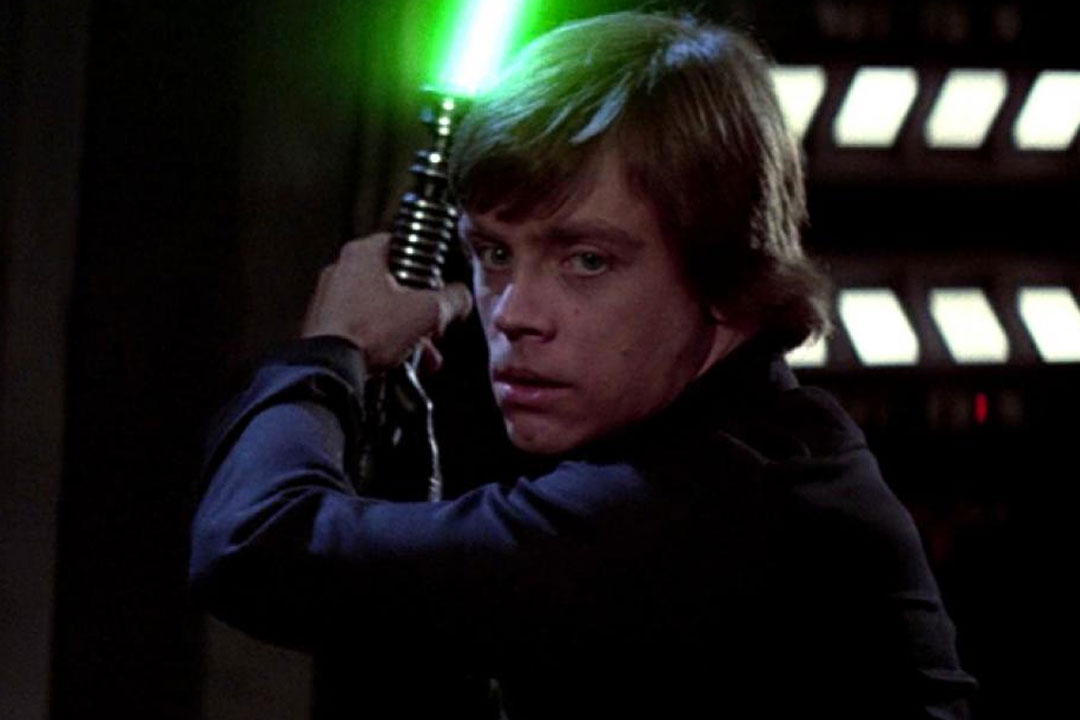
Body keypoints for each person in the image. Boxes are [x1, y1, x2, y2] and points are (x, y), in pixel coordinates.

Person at [190, 11, 976, 719]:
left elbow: (252, 547)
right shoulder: (738, 449)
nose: (514, 313)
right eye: (494, 253)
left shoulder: (696, 506)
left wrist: (333, 348)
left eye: (588, 260)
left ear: (728, 282)